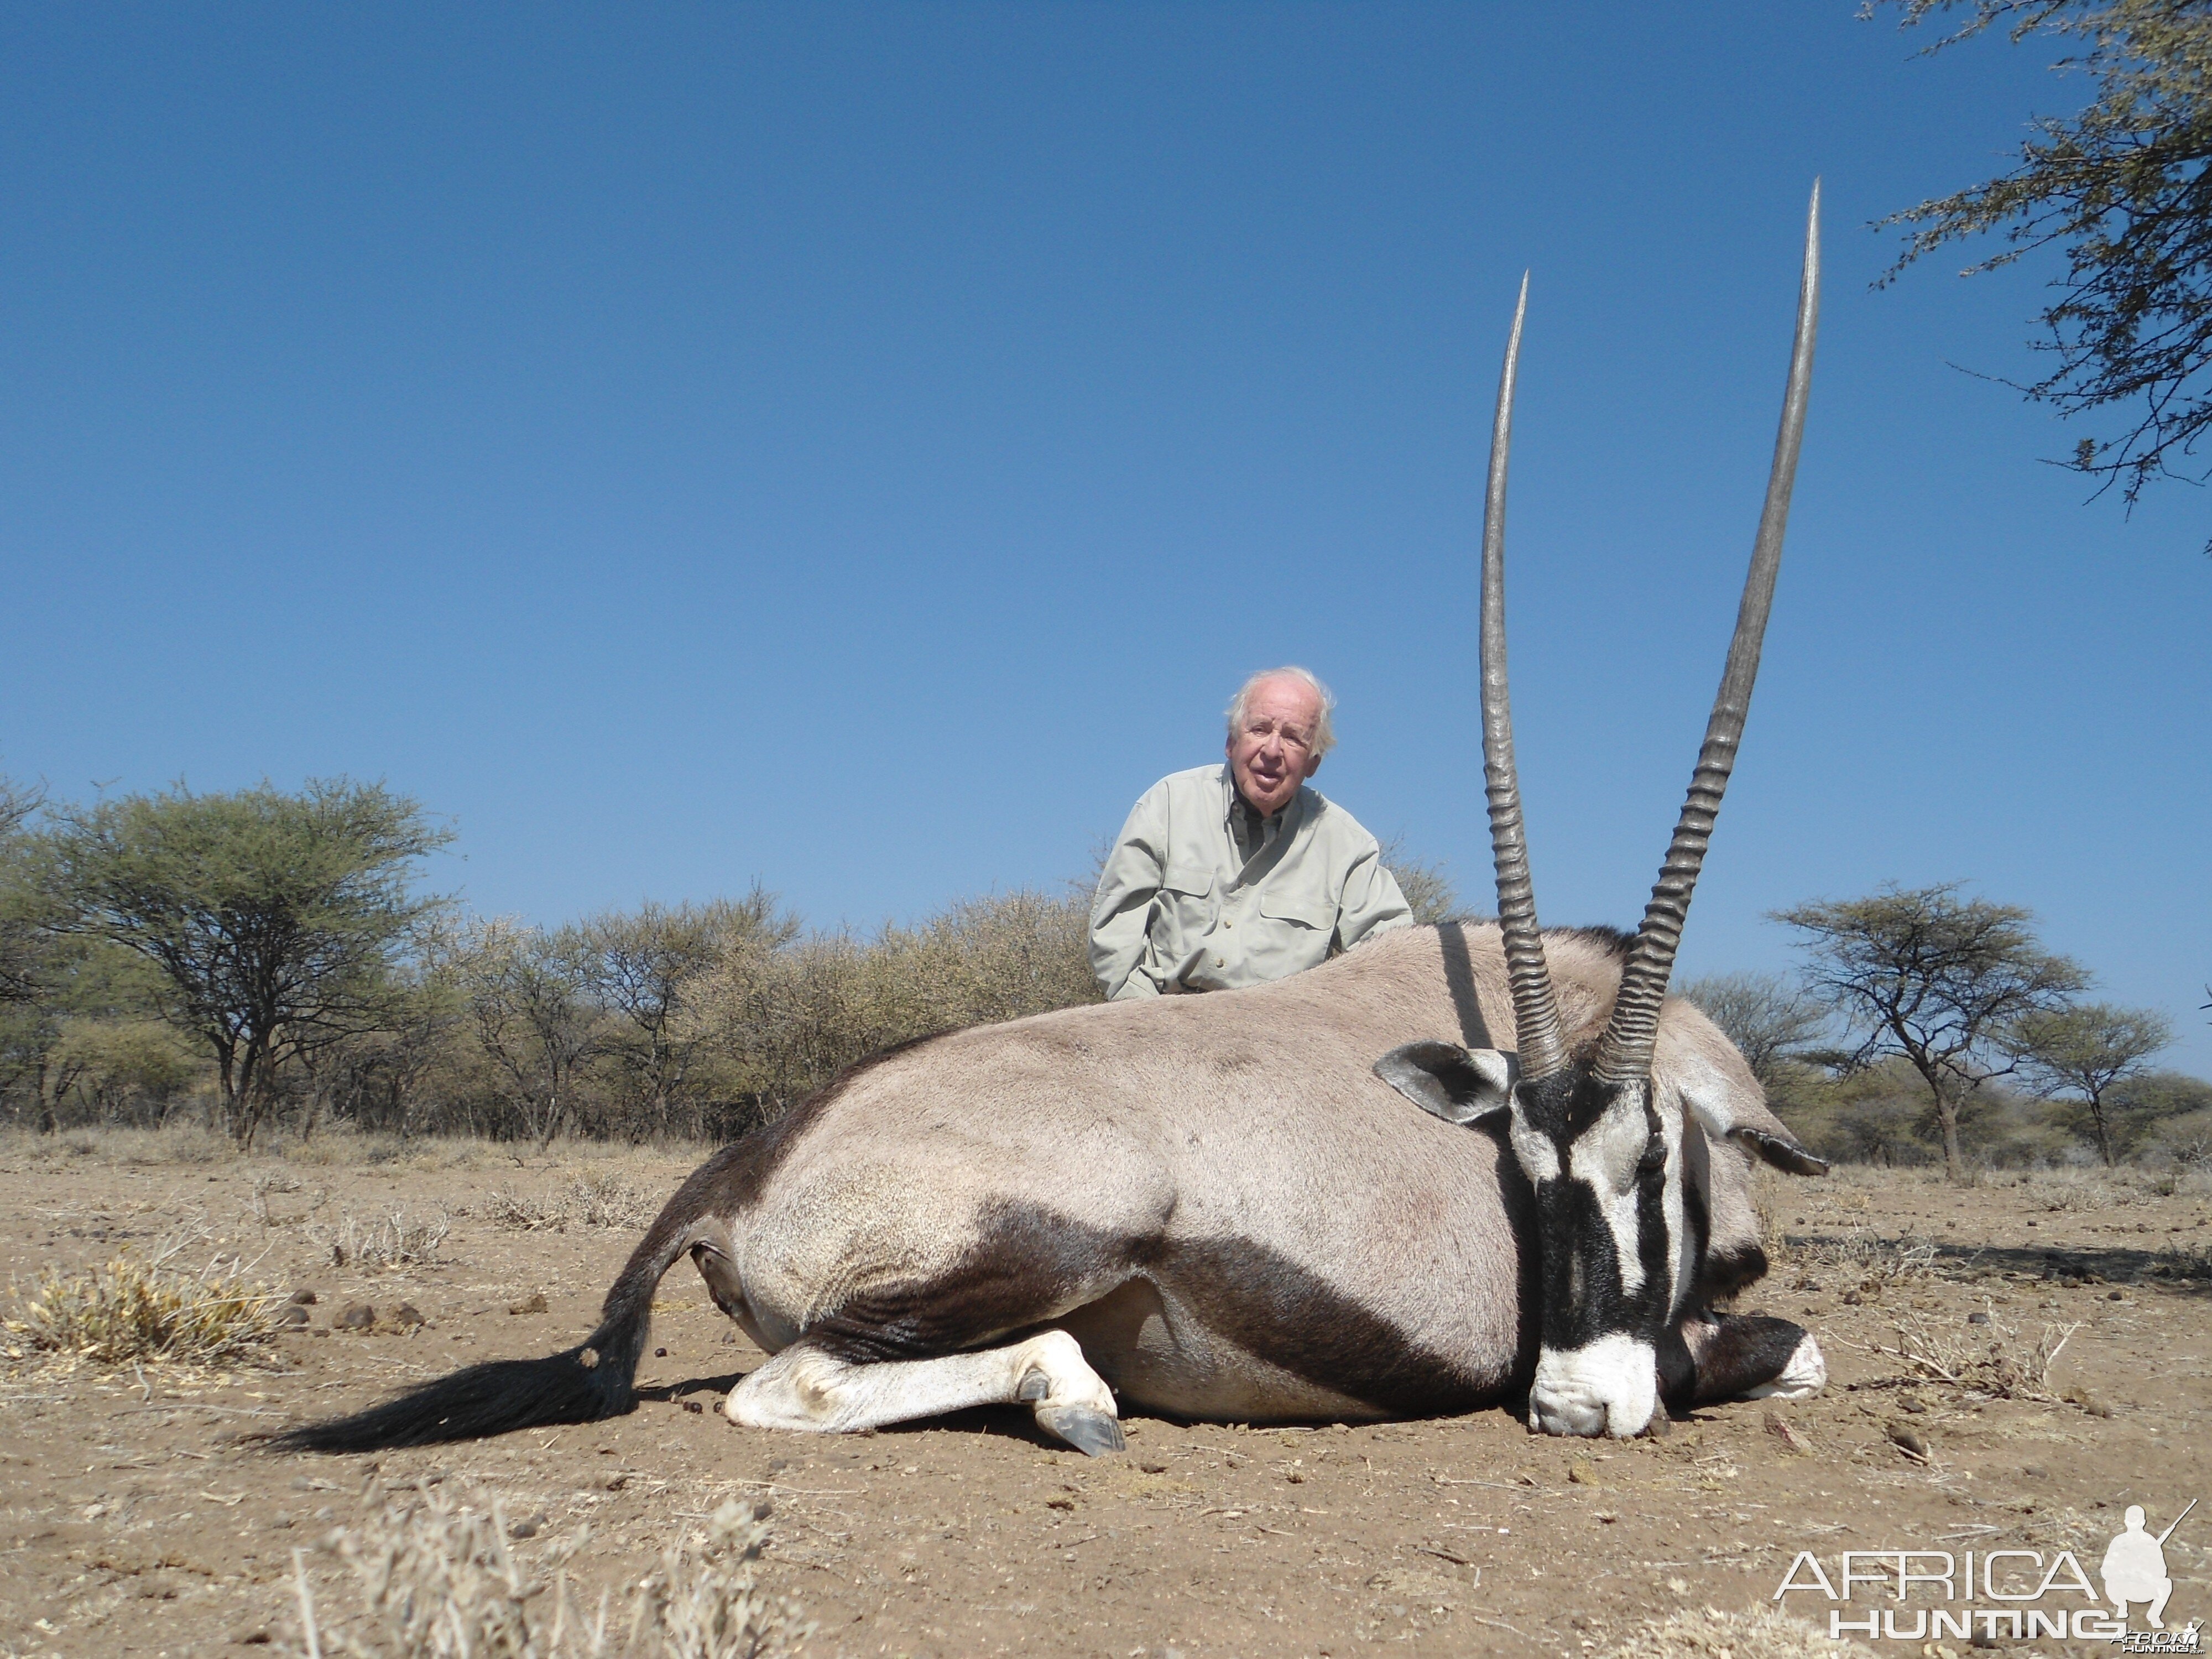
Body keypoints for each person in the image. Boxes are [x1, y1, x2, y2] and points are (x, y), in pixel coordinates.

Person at [1089, 666, 1411, 1000]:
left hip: (1278, 1040)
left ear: (1313, 763)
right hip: (1159, 1023)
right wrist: (1147, 1023)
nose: (1272, 751)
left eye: (1293, 738)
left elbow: (1396, 956)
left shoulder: (1348, 847)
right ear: (1231, 742)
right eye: (1259, 729)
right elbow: (1114, 937)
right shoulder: (1168, 805)